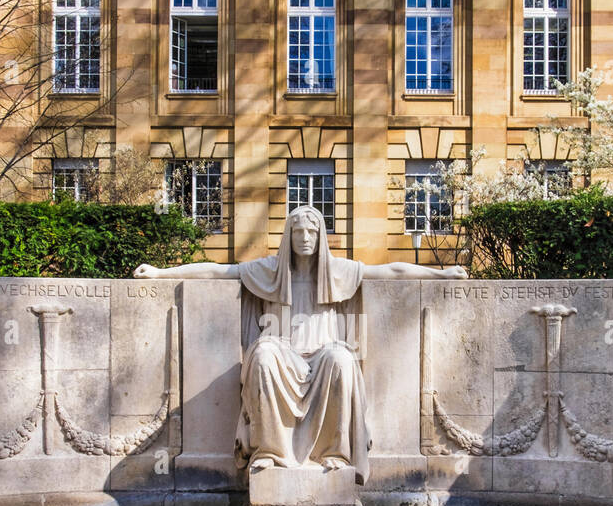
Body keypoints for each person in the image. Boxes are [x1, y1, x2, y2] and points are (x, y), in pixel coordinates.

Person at [134, 205, 465, 484]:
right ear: (288, 236)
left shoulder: (338, 271)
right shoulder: (269, 271)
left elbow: (390, 269)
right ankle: (270, 452)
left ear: (321, 236)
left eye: (312, 232)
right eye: (298, 232)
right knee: (262, 354)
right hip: (282, 354)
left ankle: (336, 453)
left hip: (323, 358)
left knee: (341, 358)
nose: (305, 238)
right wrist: (162, 273)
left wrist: (442, 275)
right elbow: (219, 272)